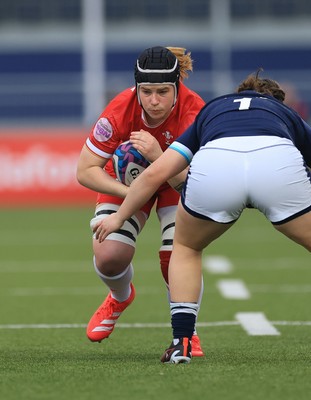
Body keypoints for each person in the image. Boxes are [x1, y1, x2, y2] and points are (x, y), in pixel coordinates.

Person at [93, 69, 311, 364]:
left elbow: (158, 171)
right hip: (276, 166)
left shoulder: (214, 109)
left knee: (185, 248)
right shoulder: (284, 114)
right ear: (274, 101)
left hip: (218, 169)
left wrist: (119, 217)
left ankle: (182, 342)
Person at [76, 46, 206, 356]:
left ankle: (188, 330)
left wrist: (158, 158)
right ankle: (120, 296)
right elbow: (85, 171)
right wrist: (136, 194)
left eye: (163, 91)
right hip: (125, 183)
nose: (154, 100)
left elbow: (196, 182)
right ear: (137, 87)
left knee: (176, 252)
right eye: (146, 91)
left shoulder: (195, 112)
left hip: (177, 183)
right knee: (109, 255)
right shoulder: (121, 107)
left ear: (177, 87)